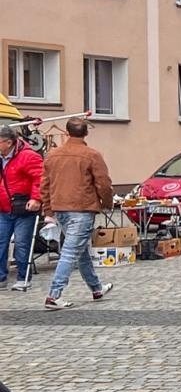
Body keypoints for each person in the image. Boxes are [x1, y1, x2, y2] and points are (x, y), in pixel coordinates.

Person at [40, 117, 114, 311]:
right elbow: (103, 183)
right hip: (82, 208)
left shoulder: (52, 154)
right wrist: (107, 203)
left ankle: (96, 288)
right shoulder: (92, 155)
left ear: (66, 132)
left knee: (80, 251)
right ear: (86, 133)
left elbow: (45, 185)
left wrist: (48, 209)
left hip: (60, 208)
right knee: (72, 252)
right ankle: (54, 295)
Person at [0, 125, 44, 291]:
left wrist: (36, 199)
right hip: (3, 207)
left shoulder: (28, 156)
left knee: (22, 243)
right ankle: (1, 278)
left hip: (23, 207)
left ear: (8, 142)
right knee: (0, 243)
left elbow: (40, 178)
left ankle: (23, 277)